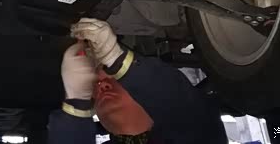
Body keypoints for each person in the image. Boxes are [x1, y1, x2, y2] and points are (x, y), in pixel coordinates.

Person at [48, 18, 228, 144]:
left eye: (95, 84)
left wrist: (77, 102)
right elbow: (186, 111)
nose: (102, 85)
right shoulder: (199, 131)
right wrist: (117, 60)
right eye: (113, 77)